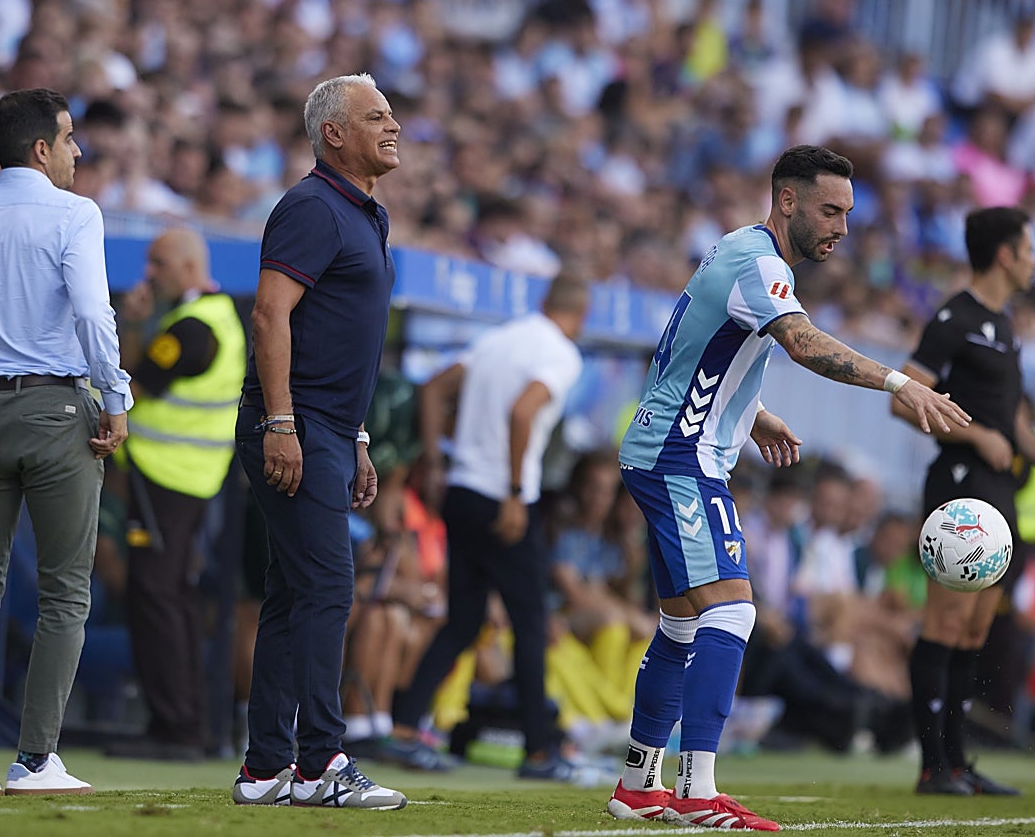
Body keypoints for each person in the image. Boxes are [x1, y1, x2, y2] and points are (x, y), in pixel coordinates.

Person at [605, 145, 970, 830]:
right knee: (733, 612)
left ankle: (637, 783)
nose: (841, 226)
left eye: (849, 214)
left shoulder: (738, 251)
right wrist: (899, 380)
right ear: (788, 200)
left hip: (676, 449)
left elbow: (693, 349)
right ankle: (697, 792)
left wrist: (754, 414)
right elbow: (803, 344)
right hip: (679, 457)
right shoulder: (758, 262)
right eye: (830, 210)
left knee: (684, 624)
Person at [0, 88, 132, 797]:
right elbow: (91, 312)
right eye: (71, 139)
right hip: (57, 407)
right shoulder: (76, 213)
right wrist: (117, 396)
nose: (79, 151)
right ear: (41, 149)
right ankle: (36, 758)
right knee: (64, 592)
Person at [228, 73, 406, 811]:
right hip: (294, 424)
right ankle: (319, 764)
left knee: (292, 594)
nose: (393, 126)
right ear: (333, 133)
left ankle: (265, 767)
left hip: (328, 429)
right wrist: (282, 423)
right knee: (330, 588)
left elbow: (341, 339)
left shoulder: (365, 213)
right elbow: (270, 316)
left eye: (392, 115)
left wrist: (357, 435)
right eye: (376, 116)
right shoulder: (310, 207)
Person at [383, 272, 590, 780]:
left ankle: (405, 729)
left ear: (544, 301)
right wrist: (517, 493)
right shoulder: (560, 353)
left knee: (463, 620)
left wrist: (433, 462)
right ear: (578, 316)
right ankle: (540, 751)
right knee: (529, 624)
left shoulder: (498, 340)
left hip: (461, 490)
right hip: (503, 498)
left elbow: (432, 389)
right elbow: (524, 414)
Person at [891, 205, 1035, 796]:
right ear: (1005, 254)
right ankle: (932, 767)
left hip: (1000, 492)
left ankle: (958, 759)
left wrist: (1018, 440)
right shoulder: (954, 317)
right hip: (958, 485)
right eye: (1027, 249)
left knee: (975, 630)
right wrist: (977, 436)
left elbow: (1013, 418)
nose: (1031, 261)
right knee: (946, 623)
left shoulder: (1003, 326)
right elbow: (903, 398)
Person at [104, 226, 245, 761]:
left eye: (159, 263)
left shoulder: (191, 329)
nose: (149, 273)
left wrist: (131, 324)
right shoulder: (215, 315)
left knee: (158, 598)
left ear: (188, 268)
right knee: (172, 599)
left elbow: (132, 387)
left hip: (169, 479)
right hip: (186, 479)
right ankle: (184, 724)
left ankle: (176, 728)